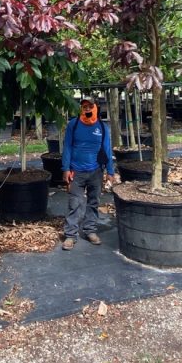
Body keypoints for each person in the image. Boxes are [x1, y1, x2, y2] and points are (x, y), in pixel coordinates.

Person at [61, 97, 119, 250]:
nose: (86, 109)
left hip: (96, 171)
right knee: (74, 203)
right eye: (84, 106)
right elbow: (67, 147)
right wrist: (65, 169)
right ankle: (70, 235)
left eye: (90, 106)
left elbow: (107, 150)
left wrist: (110, 171)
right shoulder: (73, 125)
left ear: (96, 108)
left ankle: (90, 230)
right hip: (76, 171)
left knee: (93, 202)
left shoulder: (102, 127)